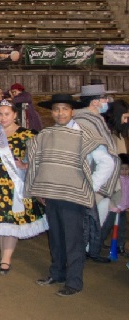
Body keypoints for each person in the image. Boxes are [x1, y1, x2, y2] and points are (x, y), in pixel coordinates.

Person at [26, 94, 115, 296]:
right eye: (56, 109)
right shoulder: (47, 135)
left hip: (73, 197)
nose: (60, 113)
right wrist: (40, 188)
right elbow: (40, 161)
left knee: (74, 240)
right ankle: (57, 273)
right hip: (52, 195)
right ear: (52, 112)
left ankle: (74, 282)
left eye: (64, 109)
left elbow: (107, 162)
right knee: (56, 237)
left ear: (72, 111)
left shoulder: (85, 135)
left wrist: (89, 186)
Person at [0, 100, 48, 275]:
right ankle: (3, 254)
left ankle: (6, 258)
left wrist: (25, 165)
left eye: (7, 114)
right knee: (0, 220)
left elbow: (37, 158)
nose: (3, 117)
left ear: (15, 115)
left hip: (14, 183)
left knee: (11, 220)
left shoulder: (28, 135)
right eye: (0, 114)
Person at [73, 84, 120, 263]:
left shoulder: (94, 119)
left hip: (98, 179)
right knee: (89, 220)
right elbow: (95, 155)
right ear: (94, 102)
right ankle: (82, 252)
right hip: (92, 179)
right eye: (103, 98)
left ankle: (88, 249)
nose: (107, 101)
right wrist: (93, 185)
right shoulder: (87, 121)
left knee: (96, 219)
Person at [99, 153, 129, 257]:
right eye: (122, 169)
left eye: (126, 169)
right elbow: (109, 194)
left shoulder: (128, 180)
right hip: (113, 210)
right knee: (107, 227)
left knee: (122, 229)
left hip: (123, 210)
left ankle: (120, 246)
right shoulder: (115, 180)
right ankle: (98, 243)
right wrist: (113, 205)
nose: (124, 171)